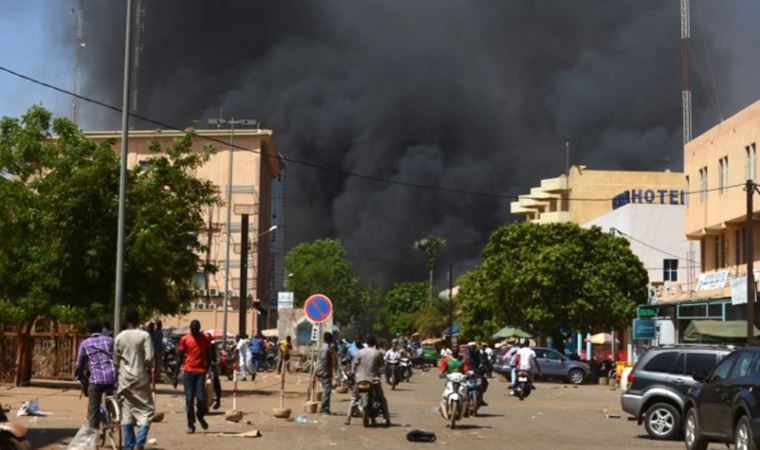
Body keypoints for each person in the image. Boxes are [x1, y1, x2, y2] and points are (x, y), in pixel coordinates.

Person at [114, 308, 154, 450]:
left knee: (127, 412)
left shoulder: (119, 336)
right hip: (140, 377)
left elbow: (116, 359)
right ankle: (140, 441)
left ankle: (129, 446)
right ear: (138, 320)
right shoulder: (144, 335)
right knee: (147, 410)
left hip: (124, 378)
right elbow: (149, 358)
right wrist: (147, 366)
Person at [75, 319, 116, 430]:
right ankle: (113, 414)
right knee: (110, 393)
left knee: (93, 409)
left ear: (89, 330)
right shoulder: (110, 340)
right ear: (101, 329)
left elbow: (79, 364)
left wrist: (78, 375)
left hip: (96, 380)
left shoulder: (85, 343)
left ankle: (94, 436)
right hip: (112, 377)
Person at [345, 335, 390, 426]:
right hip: (373, 380)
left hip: (359, 379)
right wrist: (379, 373)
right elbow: (382, 366)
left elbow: (354, 365)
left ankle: (348, 418)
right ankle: (387, 418)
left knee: (354, 398)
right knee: (381, 398)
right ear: (374, 343)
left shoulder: (360, 352)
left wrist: (353, 373)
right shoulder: (377, 353)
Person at [177, 320, 212, 433]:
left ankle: (200, 416)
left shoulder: (205, 338)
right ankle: (191, 424)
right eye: (193, 330)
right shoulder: (185, 339)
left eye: (196, 330)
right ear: (190, 329)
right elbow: (179, 356)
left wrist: (211, 367)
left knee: (201, 398)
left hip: (200, 372)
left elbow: (210, 352)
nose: (194, 332)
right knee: (189, 399)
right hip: (188, 372)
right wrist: (175, 374)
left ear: (199, 329)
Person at [315, 331, 335, 415]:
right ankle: (324, 408)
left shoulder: (324, 347)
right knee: (327, 390)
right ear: (330, 339)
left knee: (326, 390)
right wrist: (326, 372)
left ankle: (326, 407)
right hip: (323, 372)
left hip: (322, 371)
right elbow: (324, 362)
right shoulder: (326, 349)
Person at [206, 332, 222, 410]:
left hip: (212, 366)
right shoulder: (201, 344)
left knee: (216, 381)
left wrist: (216, 362)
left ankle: (218, 400)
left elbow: (217, 355)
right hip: (203, 366)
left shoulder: (213, 345)